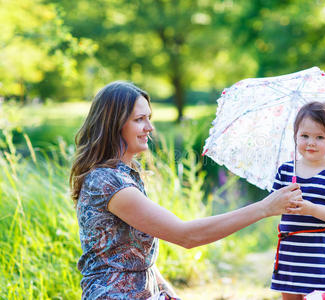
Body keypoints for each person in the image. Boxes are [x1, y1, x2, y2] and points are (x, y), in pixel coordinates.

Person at [69, 81, 303, 299]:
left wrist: (167, 291)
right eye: (139, 119)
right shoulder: (107, 182)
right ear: (114, 124)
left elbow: (137, 257)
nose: (149, 128)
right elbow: (187, 235)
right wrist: (265, 207)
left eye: (149, 118)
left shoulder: (126, 175)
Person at [270, 101, 325, 299]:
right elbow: (271, 204)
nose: (310, 142)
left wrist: (311, 209)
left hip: (314, 258)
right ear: (295, 135)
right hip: (289, 253)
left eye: (319, 137)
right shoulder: (286, 171)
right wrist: (283, 202)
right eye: (304, 136)